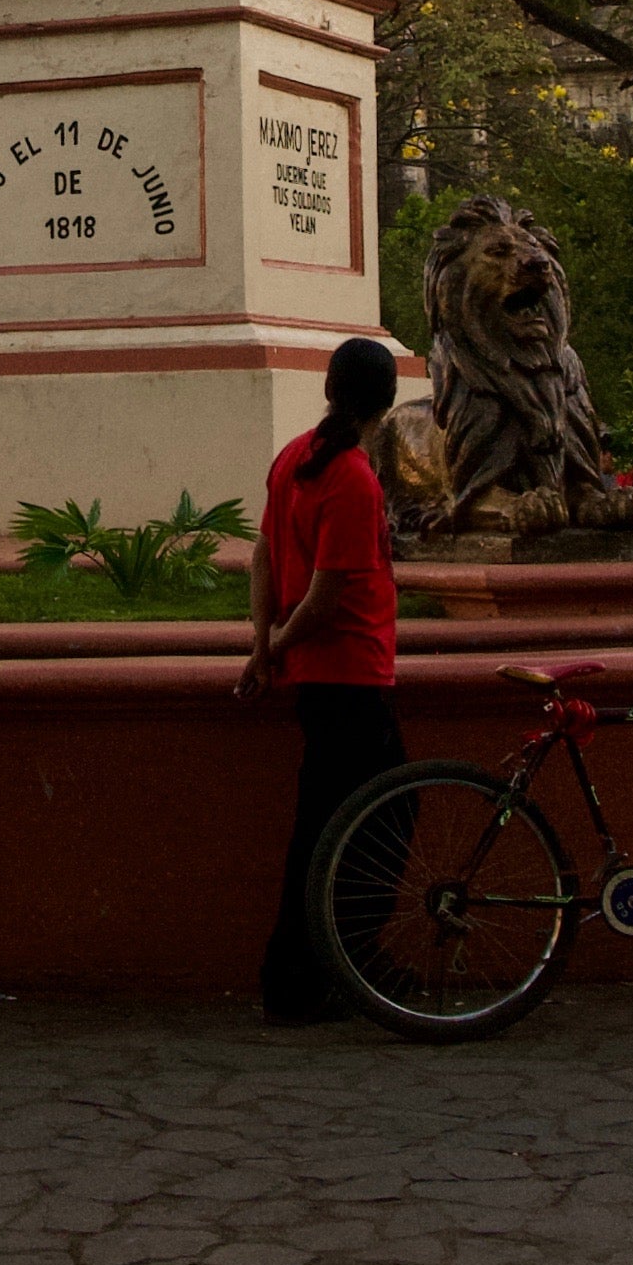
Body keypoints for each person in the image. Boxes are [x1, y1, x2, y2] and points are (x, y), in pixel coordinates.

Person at [240, 337, 409, 1023]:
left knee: (325, 826)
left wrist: (263, 645)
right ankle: (349, 955)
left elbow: (264, 557)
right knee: (383, 819)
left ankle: (301, 974)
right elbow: (327, 594)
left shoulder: (296, 457)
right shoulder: (352, 476)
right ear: (387, 401)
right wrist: (275, 643)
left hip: (319, 672)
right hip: (350, 669)